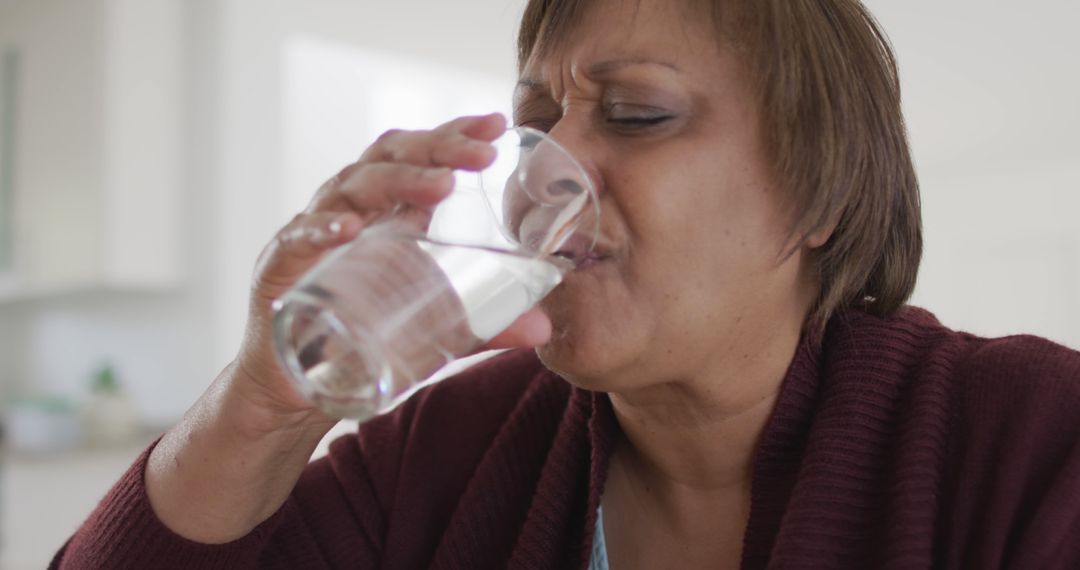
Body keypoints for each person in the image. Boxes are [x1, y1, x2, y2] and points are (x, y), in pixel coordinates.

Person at [51, 0, 1080, 568]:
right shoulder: (442, 456)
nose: (549, 178)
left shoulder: (1035, 441)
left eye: (634, 114)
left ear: (823, 198)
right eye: (537, 125)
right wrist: (263, 403)